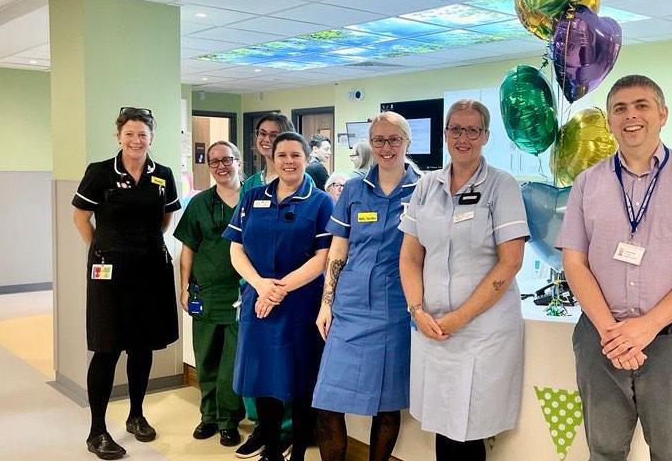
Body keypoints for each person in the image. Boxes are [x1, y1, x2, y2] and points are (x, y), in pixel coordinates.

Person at [555, 74, 672, 461]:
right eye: (619, 108)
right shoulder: (587, 183)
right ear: (608, 121)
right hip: (600, 340)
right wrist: (612, 332)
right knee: (603, 451)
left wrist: (647, 326)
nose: (630, 116)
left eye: (642, 106)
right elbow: (574, 261)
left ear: (662, 114)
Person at [398, 100, 529, 461]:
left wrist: (461, 317)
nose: (463, 137)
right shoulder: (426, 186)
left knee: (469, 430)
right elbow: (410, 257)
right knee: (443, 423)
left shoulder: (502, 186)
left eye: (473, 130)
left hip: (480, 331)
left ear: (486, 136)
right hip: (432, 327)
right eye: (456, 129)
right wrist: (417, 310)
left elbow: (511, 262)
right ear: (445, 134)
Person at [71, 107, 181, 460]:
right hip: (108, 273)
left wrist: (141, 247)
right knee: (106, 348)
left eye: (143, 135)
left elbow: (165, 219)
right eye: (130, 134)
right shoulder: (100, 172)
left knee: (143, 346)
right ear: (119, 135)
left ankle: (136, 415)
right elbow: (80, 216)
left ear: (152, 137)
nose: (136, 140)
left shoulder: (162, 175)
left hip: (150, 270)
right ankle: (97, 430)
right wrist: (104, 249)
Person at [313, 112, 420, 461]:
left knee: (387, 405)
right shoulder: (355, 189)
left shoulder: (424, 189)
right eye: (378, 140)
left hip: (397, 310)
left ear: (407, 141)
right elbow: (338, 247)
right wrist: (326, 303)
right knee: (327, 403)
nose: (386, 147)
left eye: (394, 139)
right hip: (350, 307)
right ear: (370, 144)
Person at [224, 132, 334, 461]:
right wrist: (260, 285)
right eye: (282, 155)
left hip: (299, 307)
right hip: (258, 305)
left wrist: (278, 290)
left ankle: (297, 453)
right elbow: (236, 248)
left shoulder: (320, 202)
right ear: (272, 159)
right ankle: (271, 452)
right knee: (263, 383)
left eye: (295, 155)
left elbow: (322, 258)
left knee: (299, 384)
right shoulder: (253, 197)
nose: (288, 161)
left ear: (306, 159)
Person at [173, 141, 246, 447]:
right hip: (205, 292)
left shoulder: (255, 199)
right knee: (206, 358)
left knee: (232, 361)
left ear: (238, 161)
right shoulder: (200, 203)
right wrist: (184, 287)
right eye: (213, 162)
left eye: (226, 160)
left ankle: (229, 419)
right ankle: (209, 416)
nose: (220, 166)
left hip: (241, 295)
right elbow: (187, 248)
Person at [243, 113, 294, 194]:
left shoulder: (300, 179)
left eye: (274, 135)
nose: (266, 139)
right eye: (262, 133)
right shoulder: (250, 184)